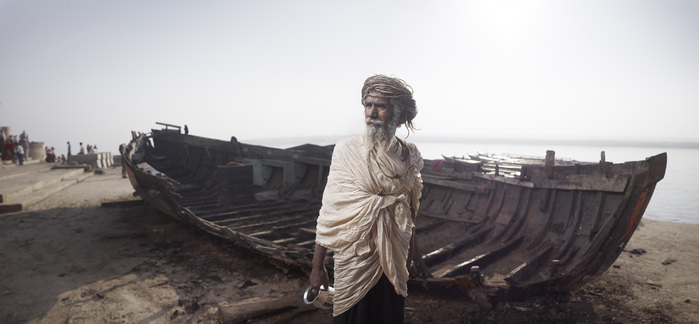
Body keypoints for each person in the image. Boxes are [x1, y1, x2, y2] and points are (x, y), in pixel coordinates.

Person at [310, 75, 423, 323]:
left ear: (398, 113)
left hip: (395, 250)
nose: (371, 112)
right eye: (367, 105)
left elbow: (410, 207)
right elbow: (330, 212)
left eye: (380, 106)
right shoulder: (346, 150)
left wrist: (412, 250)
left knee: (389, 313)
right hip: (355, 255)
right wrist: (317, 268)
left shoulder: (409, 154)